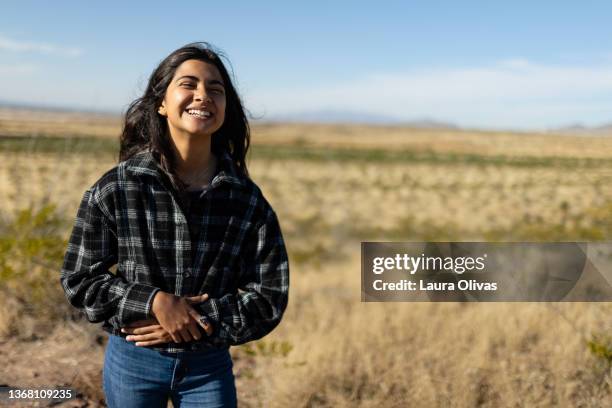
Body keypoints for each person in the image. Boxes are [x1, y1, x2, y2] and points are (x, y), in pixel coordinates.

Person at [60, 42, 289, 407]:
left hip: (208, 367)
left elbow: (269, 297)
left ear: (226, 108)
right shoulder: (117, 188)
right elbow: (80, 279)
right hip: (133, 360)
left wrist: (197, 318)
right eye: (189, 84)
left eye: (216, 89)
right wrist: (154, 302)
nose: (203, 95)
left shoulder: (246, 200)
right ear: (162, 104)